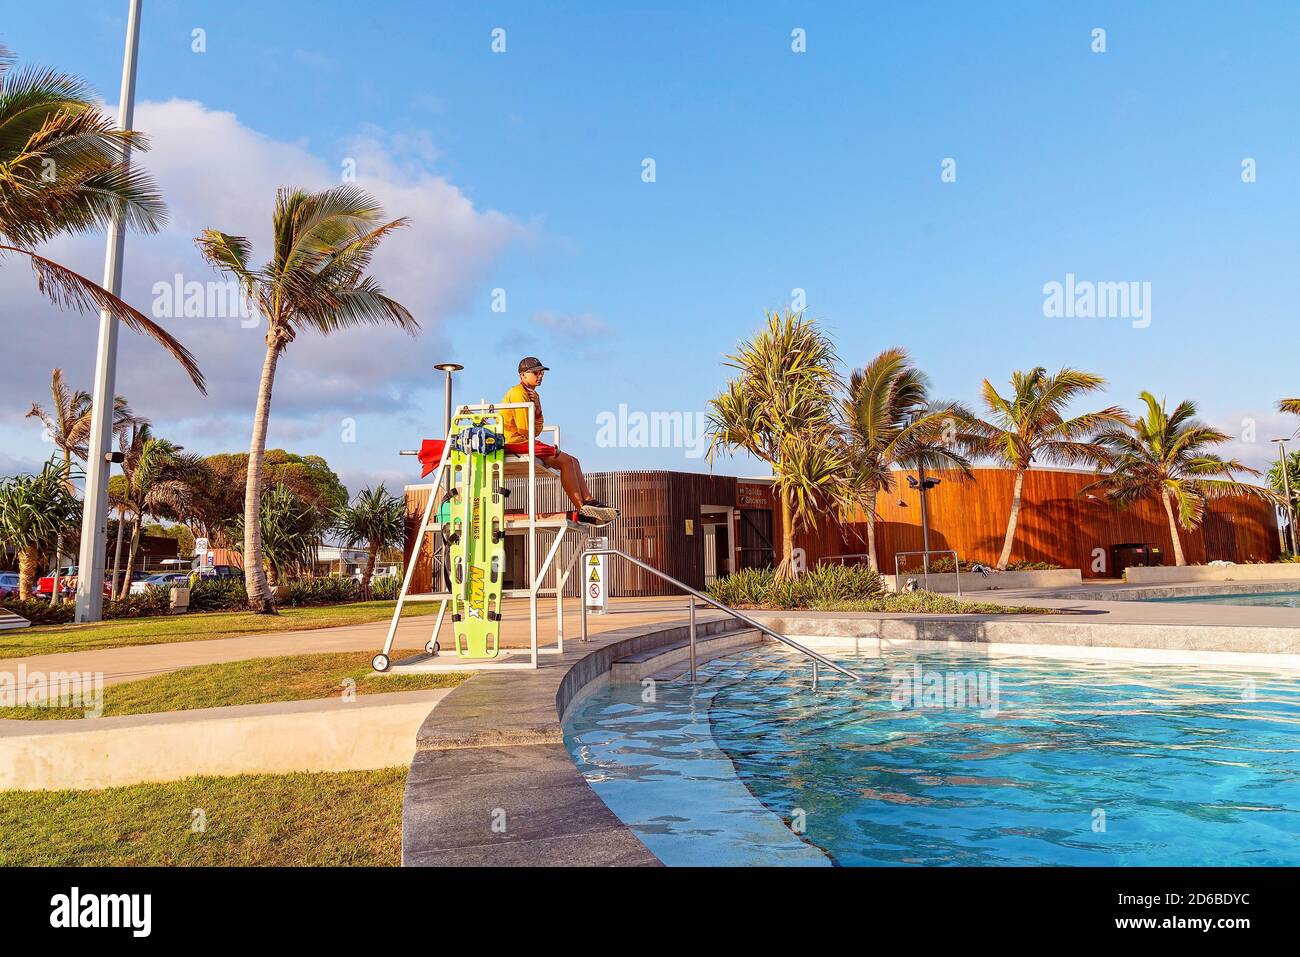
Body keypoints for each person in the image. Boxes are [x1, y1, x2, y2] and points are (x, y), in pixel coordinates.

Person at [503, 357, 619, 524]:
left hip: (524, 441)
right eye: (536, 372)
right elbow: (527, 429)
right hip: (516, 443)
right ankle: (582, 508)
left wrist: (538, 410)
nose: (540, 375)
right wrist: (535, 416)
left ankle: (588, 501)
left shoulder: (533, 395)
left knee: (574, 461)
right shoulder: (517, 393)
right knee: (565, 461)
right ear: (523, 375)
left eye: (541, 372)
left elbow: (536, 428)